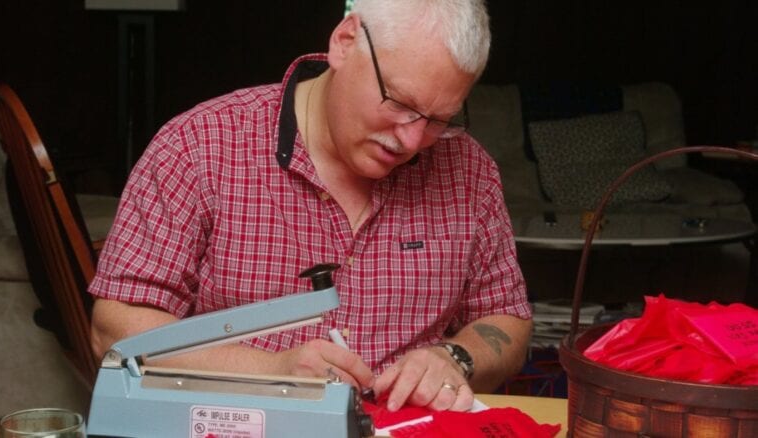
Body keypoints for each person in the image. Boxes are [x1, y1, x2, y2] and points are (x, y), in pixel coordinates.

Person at [89, 0, 532, 413]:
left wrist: (454, 356)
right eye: (400, 103)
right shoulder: (201, 147)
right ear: (344, 42)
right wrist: (271, 373)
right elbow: (115, 329)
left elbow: (508, 319)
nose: (412, 140)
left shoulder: (469, 171)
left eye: (439, 120)